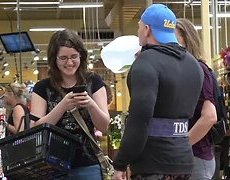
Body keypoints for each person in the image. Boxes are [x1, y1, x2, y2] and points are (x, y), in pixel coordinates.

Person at [113, 4, 204, 180]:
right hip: (184, 161)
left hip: (152, 164)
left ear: (147, 30)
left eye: (139, 27)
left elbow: (139, 120)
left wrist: (121, 162)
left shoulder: (146, 63)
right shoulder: (194, 65)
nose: (138, 31)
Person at [30, 29, 110, 180]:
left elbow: (104, 126)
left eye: (74, 57)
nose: (69, 62)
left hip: (88, 164)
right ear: (54, 59)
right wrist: (62, 106)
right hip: (52, 166)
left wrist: (91, 105)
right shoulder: (42, 87)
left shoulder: (94, 81)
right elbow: (35, 130)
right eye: (63, 58)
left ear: (81, 56)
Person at [175, 18, 217, 180]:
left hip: (197, 156)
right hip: (188, 157)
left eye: (173, 37)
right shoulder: (184, 70)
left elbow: (210, 116)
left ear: (185, 39)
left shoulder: (199, 69)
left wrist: (182, 146)